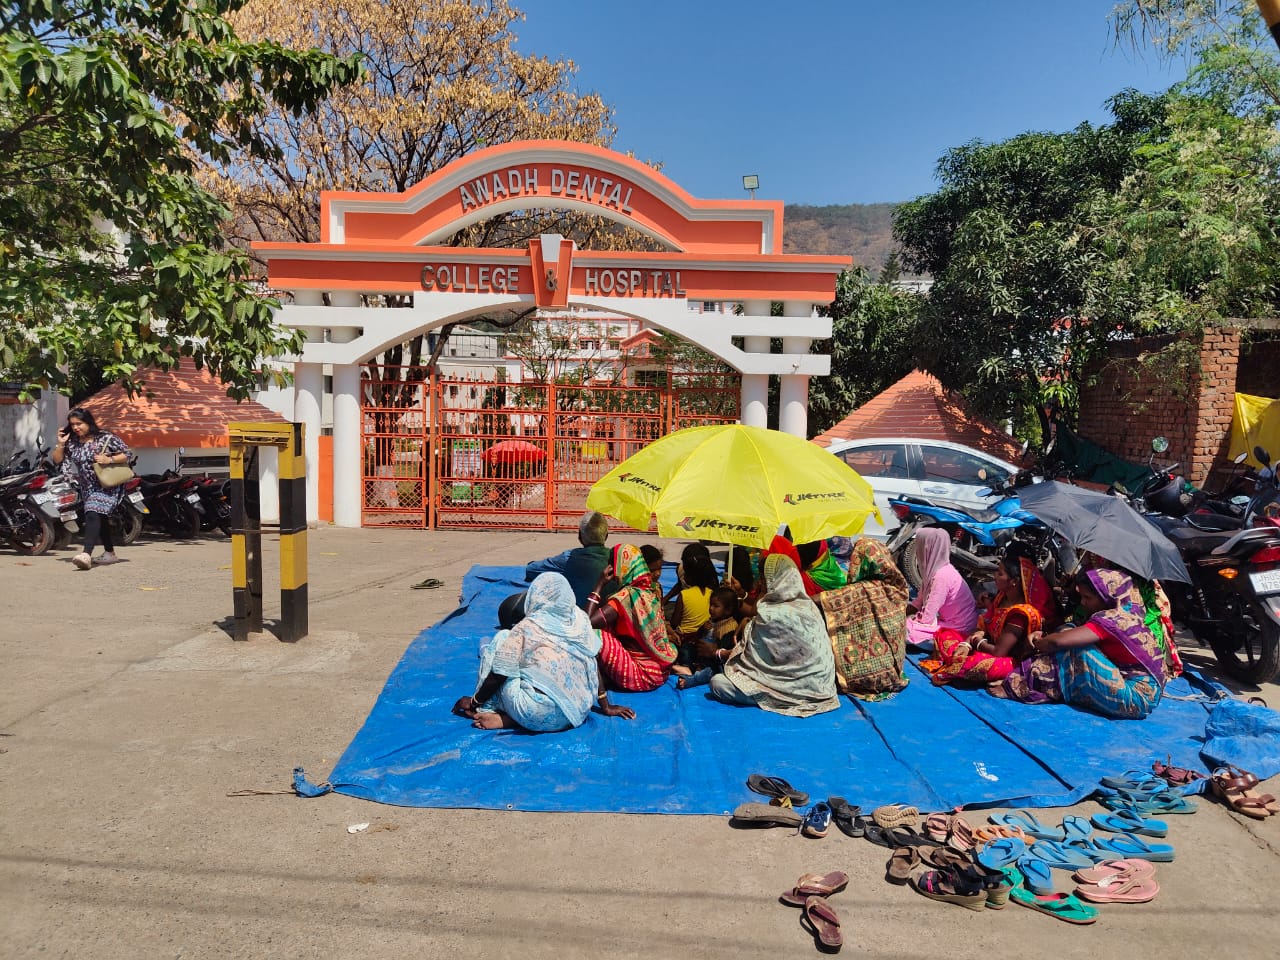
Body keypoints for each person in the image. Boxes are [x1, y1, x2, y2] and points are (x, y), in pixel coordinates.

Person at [452, 573, 635, 731]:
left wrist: (475, 701)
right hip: (576, 714)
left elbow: (500, 673)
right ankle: (511, 720)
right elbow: (592, 664)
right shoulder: (580, 621)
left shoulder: (527, 627)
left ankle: (486, 710)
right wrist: (606, 706)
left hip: (534, 713)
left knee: (501, 640)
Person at [993, 567, 1179, 719]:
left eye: (1088, 598)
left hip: (1135, 699)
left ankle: (1019, 686)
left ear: (1105, 597)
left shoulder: (1112, 620)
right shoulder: (1129, 610)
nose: (1083, 603)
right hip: (1145, 693)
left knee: (1074, 650)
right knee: (1069, 633)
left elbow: (1057, 642)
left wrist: (1037, 642)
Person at [709, 553, 840, 717]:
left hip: (791, 690)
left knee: (718, 683)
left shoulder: (770, 615)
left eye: (763, 579)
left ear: (772, 580)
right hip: (823, 687)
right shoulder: (808, 606)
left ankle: (780, 698)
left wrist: (718, 653)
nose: (759, 582)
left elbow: (748, 661)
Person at [929, 542, 1057, 685]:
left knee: (968, 665)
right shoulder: (1001, 598)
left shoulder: (1021, 614)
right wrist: (965, 645)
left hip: (1007, 659)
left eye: (1000, 573)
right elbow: (984, 626)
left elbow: (998, 652)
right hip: (987, 646)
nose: (995, 576)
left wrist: (974, 641)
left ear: (1014, 581)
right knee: (945, 634)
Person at [819, 538, 910, 699]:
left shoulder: (860, 589)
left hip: (863, 678)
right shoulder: (898, 588)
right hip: (895, 668)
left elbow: (824, 600)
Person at [50, 407, 132, 571]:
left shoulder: (104, 437)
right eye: (72, 424)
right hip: (87, 487)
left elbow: (127, 453)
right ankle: (110, 553)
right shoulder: (72, 442)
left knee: (92, 512)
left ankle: (86, 554)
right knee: (99, 518)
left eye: (79, 423)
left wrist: (108, 459)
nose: (75, 428)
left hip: (107, 485)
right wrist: (61, 443)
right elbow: (58, 460)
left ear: (88, 422)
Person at [588, 543, 678, 692]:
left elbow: (587, 622)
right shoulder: (651, 590)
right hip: (661, 671)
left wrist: (599, 584)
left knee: (592, 635)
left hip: (643, 676)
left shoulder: (625, 597)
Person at [499, 511, 609, 627]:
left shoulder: (569, 558)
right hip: (605, 619)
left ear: (580, 536)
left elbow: (532, 569)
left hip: (574, 620)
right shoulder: (616, 558)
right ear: (606, 536)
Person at [905, 527, 979, 648]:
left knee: (906, 629)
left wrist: (907, 620)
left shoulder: (941, 576)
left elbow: (926, 618)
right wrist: (901, 613)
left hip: (961, 628)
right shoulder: (936, 570)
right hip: (952, 621)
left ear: (926, 549)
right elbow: (919, 601)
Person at [677, 586, 740, 690]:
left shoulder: (730, 627)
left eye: (716, 606)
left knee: (711, 671)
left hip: (714, 662)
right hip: (700, 656)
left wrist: (713, 649)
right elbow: (699, 637)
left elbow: (723, 649)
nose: (711, 608)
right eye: (711, 605)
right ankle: (688, 667)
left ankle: (691, 679)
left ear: (728, 610)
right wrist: (702, 629)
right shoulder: (712, 621)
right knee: (686, 648)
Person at [665, 543, 719, 655]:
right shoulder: (711, 592)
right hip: (704, 635)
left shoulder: (684, 595)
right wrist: (665, 598)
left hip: (686, 638)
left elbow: (675, 622)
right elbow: (679, 584)